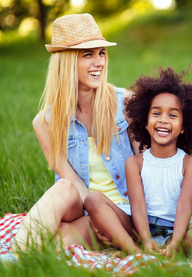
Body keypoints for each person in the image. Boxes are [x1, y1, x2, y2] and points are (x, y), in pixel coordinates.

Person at [8, 13, 139, 257]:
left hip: (125, 212)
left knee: (55, 243)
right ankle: (11, 259)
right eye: (88, 55)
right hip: (83, 205)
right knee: (64, 187)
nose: (99, 62)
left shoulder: (127, 104)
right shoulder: (45, 122)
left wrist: (106, 218)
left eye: (101, 53)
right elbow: (73, 182)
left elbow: (147, 169)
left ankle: (18, 257)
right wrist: (95, 213)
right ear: (66, 62)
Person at [84, 67, 192, 258]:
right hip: (139, 229)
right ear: (145, 122)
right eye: (156, 114)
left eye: (172, 115)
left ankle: (173, 249)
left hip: (175, 231)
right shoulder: (135, 163)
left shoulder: (190, 164)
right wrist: (146, 239)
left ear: (183, 127)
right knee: (93, 199)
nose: (163, 120)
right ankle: (135, 251)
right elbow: (137, 206)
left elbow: (185, 207)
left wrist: (176, 240)